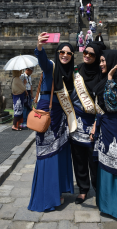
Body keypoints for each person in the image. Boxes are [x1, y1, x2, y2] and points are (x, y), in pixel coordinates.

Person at [28, 33, 74, 212]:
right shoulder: (51, 67)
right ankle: (47, 196)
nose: (65, 55)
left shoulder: (70, 73)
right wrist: (39, 47)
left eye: (68, 53)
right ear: (57, 53)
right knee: (48, 154)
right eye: (62, 51)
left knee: (60, 153)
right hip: (47, 113)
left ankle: (58, 192)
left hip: (61, 116)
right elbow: (43, 61)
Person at [91, 49, 117, 219]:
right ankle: (106, 202)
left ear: (115, 62)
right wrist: (95, 124)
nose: (101, 64)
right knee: (104, 163)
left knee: (115, 164)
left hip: (116, 125)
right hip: (105, 124)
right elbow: (100, 107)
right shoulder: (102, 79)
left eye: (103, 61)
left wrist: (110, 79)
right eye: (100, 61)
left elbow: (112, 104)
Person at [70, 41, 106, 204]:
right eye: (85, 52)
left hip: (94, 122)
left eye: (91, 54)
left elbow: (103, 102)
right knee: (78, 158)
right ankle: (83, 189)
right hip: (77, 122)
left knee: (95, 159)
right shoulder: (76, 71)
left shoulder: (101, 74)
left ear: (97, 57)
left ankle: (98, 189)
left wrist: (96, 124)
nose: (87, 56)